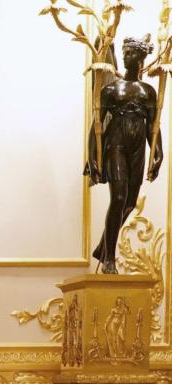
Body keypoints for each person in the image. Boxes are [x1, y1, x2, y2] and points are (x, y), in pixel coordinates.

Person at [86, 35, 163, 274]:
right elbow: (96, 125)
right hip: (116, 145)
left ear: (140, 58)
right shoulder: (111, 90)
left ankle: (103, 246)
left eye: (131, 53)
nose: (126, 56)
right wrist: (92, 158)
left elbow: (153, 125)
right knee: (118, 198)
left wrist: (158, 152)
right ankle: (109, 259)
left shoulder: (148, 92)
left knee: (129, 203)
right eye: (125, 52)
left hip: (137, 148)